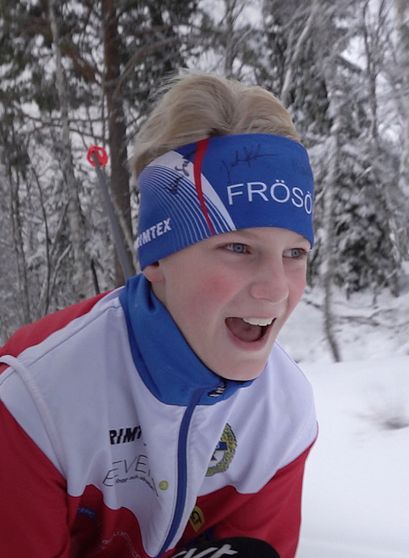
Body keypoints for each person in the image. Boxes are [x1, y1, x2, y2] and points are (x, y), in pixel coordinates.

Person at [0, 73, 318, 557]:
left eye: (294, 253)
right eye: (238, 247)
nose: (277, 289)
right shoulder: (35, 399)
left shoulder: (283, 408)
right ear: (155, 260)